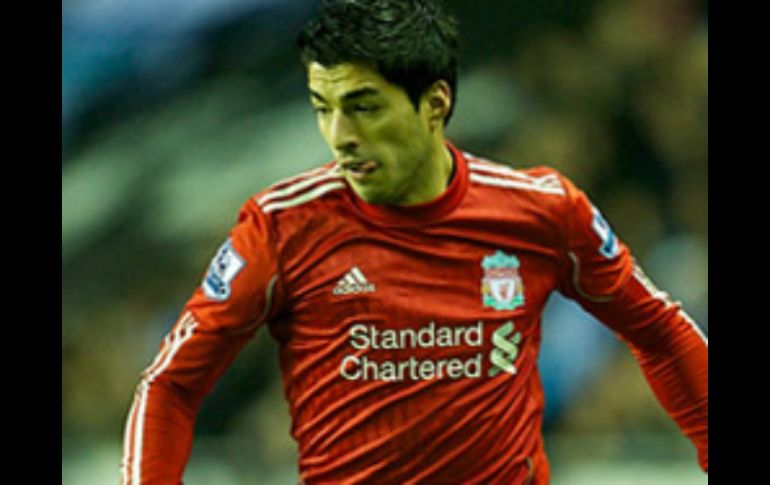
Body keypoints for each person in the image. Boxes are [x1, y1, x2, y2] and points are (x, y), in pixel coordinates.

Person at [120, 0, 708, 483]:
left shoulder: (541, 210)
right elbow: (172, 384)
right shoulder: (280, 226)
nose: (339, 135)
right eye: (324, 107)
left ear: (434, 104)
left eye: (364, 107)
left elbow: (659, 330)